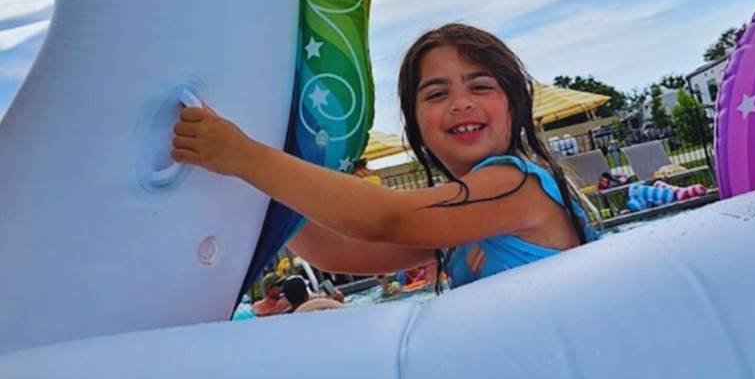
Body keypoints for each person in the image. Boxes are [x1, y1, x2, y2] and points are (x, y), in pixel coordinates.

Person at [171, 23, 600, 291]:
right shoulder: (454, 229)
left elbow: (387, 218)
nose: (461, 103)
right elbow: (335, 251)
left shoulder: (516, 184)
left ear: (514, 104)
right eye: (436, 93)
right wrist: (249, 169)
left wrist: (246, 156)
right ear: (416, 124)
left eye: (481, 87)